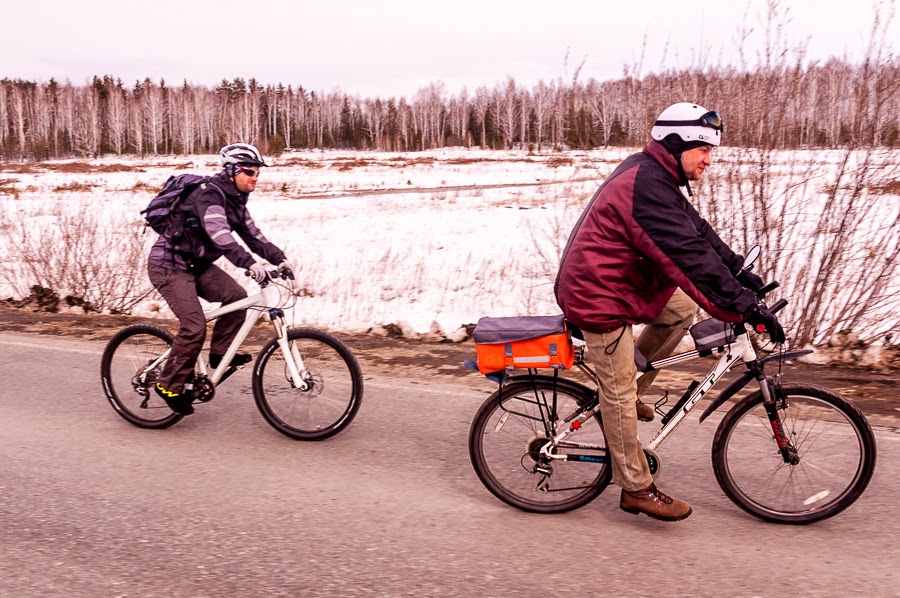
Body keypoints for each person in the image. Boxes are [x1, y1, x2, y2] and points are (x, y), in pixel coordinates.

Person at [554, 102, 784, 522]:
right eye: (704, 150)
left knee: (681, 308)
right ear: (676, 145)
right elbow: (689, 257)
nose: (709, 160)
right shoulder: (646, 185)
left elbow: (696, 232)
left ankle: (636, 388)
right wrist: (743, 307)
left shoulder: (656, 176)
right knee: (618, 390)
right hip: (597, 295)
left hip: (619, 282)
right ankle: (636, 488)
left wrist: (737, 271)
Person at [148, 143, 295, 416]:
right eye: (249, 171)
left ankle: (219, 354)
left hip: (197, 264)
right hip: (169, 266)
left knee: (237, 298)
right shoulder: (210, 197)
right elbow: (221, 237)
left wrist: (279, 258)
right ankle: (168, 385)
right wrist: (249, 264)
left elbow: (253, 236)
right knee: (194, 327)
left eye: (257, 173)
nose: (255, 177)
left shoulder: (236, 202)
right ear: (231, 171)